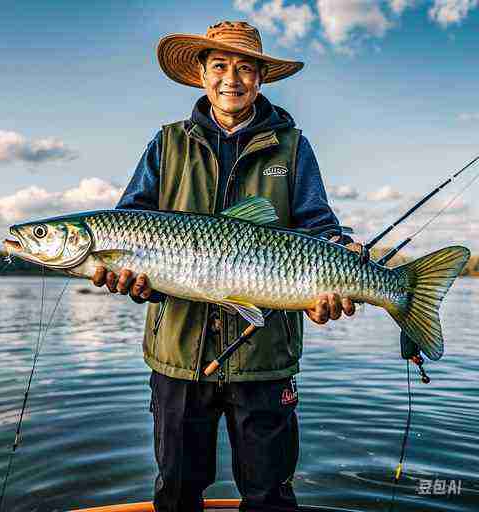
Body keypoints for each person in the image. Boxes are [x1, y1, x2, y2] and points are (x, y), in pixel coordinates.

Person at [92, 21, 361, 512]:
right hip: (178, 354)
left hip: (265, 358)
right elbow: (128, 221)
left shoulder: (293, 147)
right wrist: (135, 284)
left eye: (244, 68)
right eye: (219, 65)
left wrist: (340, 252)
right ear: (201, 74)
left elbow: (320, 227)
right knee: (175, 491)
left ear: (261, 77)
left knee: (269, 496)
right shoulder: (166, 144)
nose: (230, 79)